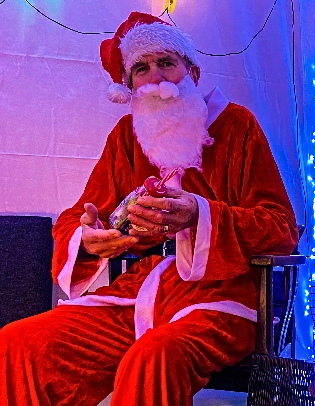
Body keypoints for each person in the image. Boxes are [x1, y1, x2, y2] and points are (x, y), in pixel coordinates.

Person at [0, 12, 298, 406]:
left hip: (220, 296)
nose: (155, 77)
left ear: (191, 71)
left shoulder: (238, 126)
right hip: (140, 289)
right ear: (129, 84)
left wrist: (200, 214)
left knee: (152, 358)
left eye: (166, 63)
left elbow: (280, 227)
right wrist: (89, 240)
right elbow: (80, 215)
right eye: (141, 67)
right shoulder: (127, 136)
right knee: (17, 342)